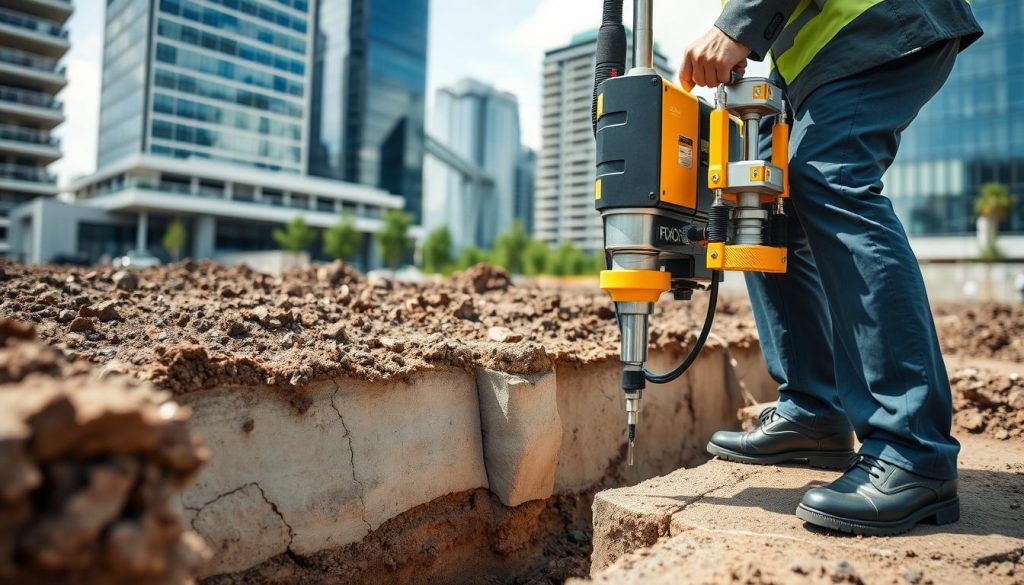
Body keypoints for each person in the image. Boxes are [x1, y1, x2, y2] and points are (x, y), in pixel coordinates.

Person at [680, 1, 982, 536]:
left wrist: (738, 25)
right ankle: (814, 409)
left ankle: (913, 451)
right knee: (770, 197)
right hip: (816, 58)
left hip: (877, 17)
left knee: (832, 178)